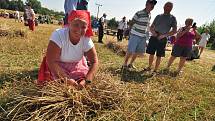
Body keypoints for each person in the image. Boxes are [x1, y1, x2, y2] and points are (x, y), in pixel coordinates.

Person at [37, 10, 98, 88]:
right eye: (76, 24)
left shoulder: (86, 39)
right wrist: (66, 79)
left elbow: (94, 61)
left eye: (83, 27)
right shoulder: (59, 35)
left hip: (76, 64)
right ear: (69, 23)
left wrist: (87, 80)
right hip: (57, 64)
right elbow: (51, 60)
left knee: (81, 84)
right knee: (54, 85)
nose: (79, 30)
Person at [122, 0, 157, 70]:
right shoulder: (139, 13)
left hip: (143, 36)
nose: (152, 5)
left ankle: (130, 64)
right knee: (130, 50)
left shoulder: (149, 15)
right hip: (135, 34)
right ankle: (125, 64)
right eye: (151, 3)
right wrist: (128, 33)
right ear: (146, 4)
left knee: (137, 51)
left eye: (153, 4)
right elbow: (132, 23)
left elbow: (147, 26)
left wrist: (151, 32)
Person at [145, 2, 177, 73]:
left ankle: (155, 70)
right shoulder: (158, 16)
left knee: (159, 55)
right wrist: (153, 33)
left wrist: (164, 35)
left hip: (163, 38)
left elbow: (174, 31)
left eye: (169, 6)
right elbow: (151, 27)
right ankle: (149, 67)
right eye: (166, 6)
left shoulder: (173, 18)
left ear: (171, 8)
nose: (167, 7)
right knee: (151, 53)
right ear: (163, 6)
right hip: (154, 36)